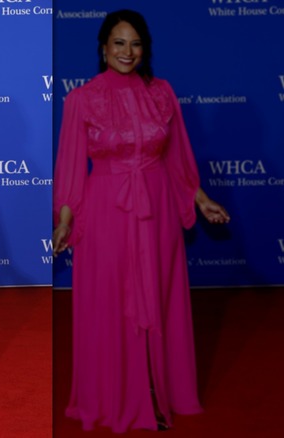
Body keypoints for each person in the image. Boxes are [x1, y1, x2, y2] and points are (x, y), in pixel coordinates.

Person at [52, 9, 230, 433]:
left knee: (161, 296)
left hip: (157, 209)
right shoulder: (82, 99)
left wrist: (200, 198)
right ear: (103, 48)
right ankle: (116, 394)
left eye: (135, 44)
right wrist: (63, 221)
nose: (127, 52)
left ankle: (158, 389)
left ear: (144, 49)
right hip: (106, 213)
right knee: (111, 301)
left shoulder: (162, 93)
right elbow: (73, 169)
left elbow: (177, 158)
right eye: (118, 43)